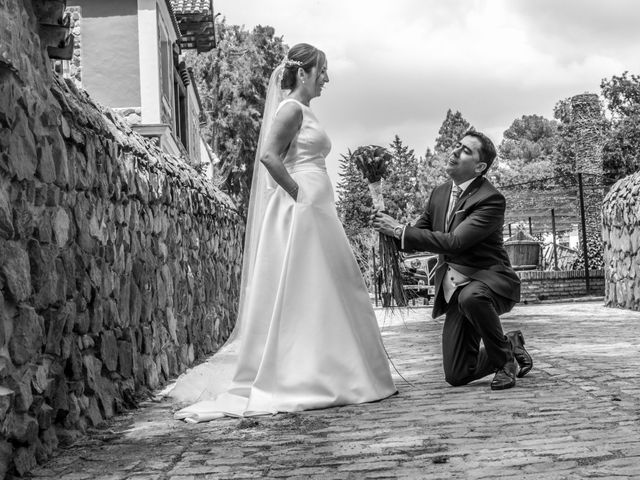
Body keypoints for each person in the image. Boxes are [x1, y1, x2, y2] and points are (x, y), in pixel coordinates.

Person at [170, 43, 396, 422]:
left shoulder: (305, 110)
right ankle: (302, 375)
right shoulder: (291, 108)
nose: (327, 78)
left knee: (328, 288)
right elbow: (270, 156)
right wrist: (299, 194)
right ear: (305, 72)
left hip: (318, 211)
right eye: (322, 70)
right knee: (305, 287)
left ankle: (335, 369)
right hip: (301, 210)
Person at [372, 131, 533, 390]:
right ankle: (510, 345)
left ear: (480, 167)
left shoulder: (490, 199)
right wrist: (388, 230)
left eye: (466, 150)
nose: (456, 151)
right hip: (455, 292)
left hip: (490, 284)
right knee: (457, 374)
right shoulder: (439, 193)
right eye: (457, 145)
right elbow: (420, 234)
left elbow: (455, 242)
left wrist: (400, 230)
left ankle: (504, 364)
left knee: (472, 296)